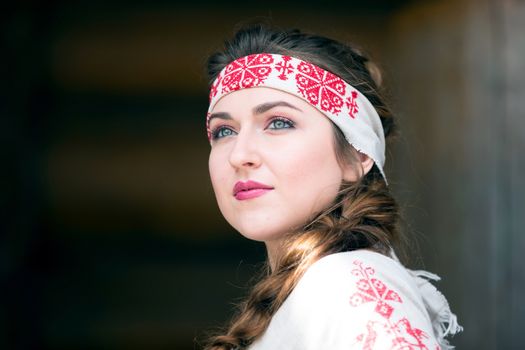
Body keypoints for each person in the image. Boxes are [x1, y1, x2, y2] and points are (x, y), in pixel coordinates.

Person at [203, 23, 462, 350]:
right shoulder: (314, 291)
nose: (239, 155)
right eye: (223, 131)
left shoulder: (349, 286)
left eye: (279, 123)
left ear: (356, 156)